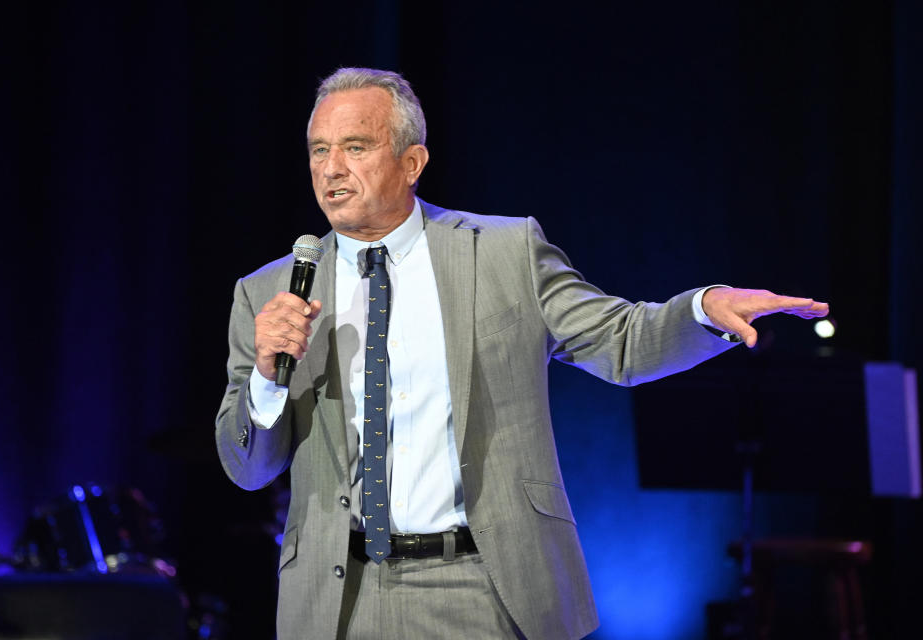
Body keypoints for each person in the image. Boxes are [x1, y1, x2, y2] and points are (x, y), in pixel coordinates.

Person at [215, 67, 828, 640]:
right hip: (335, 599)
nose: (331, 169)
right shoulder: (268, 292)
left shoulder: (504, 252)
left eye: (355, 147)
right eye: (319, 150)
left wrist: (701, 308)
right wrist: (267, 378)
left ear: (411, 161)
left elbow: (620, 340)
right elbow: (246, 467)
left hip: (480, 584)